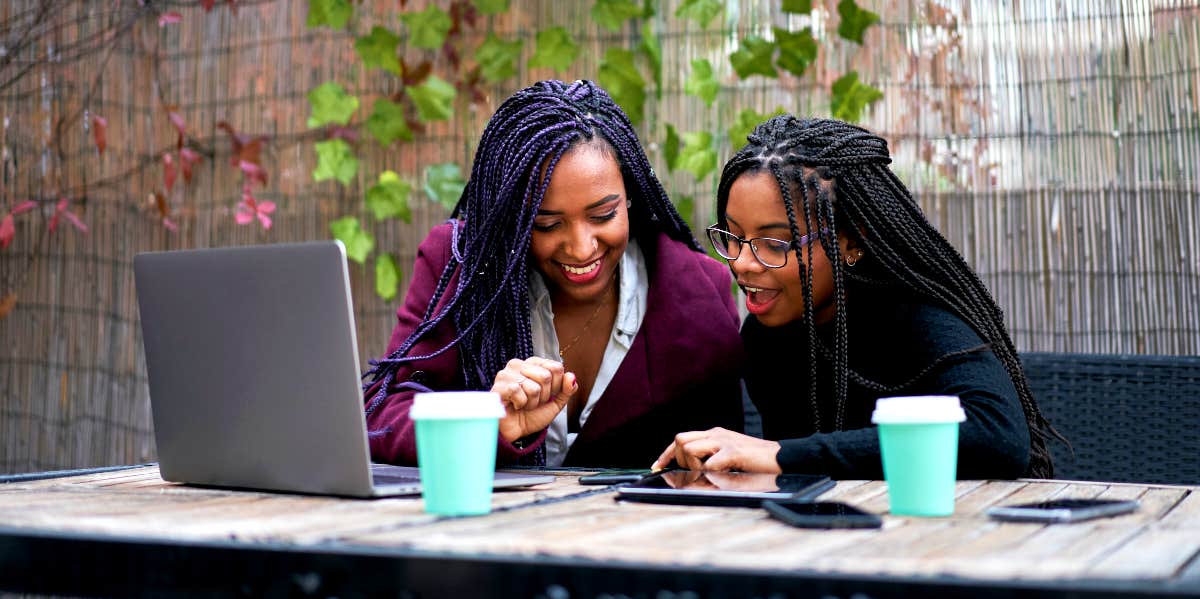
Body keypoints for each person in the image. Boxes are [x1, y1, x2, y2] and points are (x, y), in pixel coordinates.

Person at [652, 115, 1062, 479]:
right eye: (734, 237)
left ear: (852, 241)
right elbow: (804, 478)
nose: (741, 263)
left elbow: (999, 436)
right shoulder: (766, 339)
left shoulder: (916, 315)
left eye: (775, 243)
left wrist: (778, 454)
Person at [363, 80, 744, 468]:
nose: (581, 247)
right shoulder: (461, 265)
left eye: (603, 215)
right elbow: (380, 416)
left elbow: (726, 455)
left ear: (629, 195)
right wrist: (487, 423)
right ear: (514, 215)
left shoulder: (698, 291)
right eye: (547, 224)